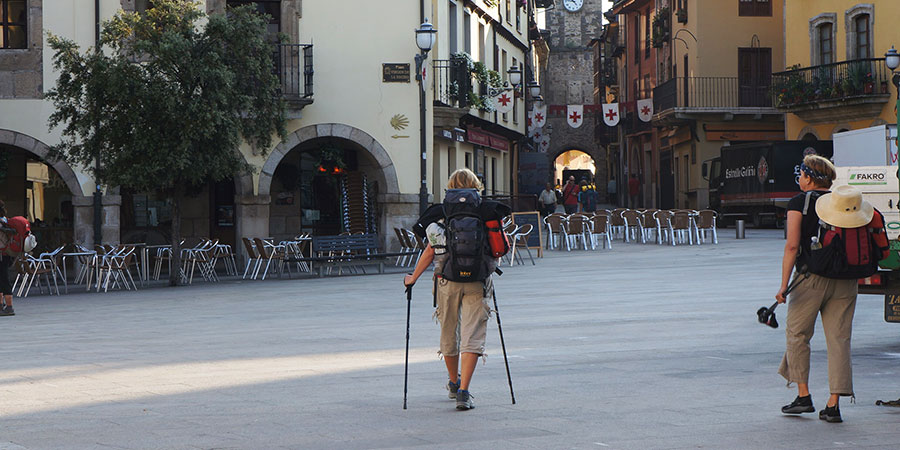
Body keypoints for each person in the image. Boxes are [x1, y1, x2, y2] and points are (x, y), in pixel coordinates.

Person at [403, 168, 511, 411]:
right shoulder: (487, 209)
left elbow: (430, 250)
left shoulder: (440, 212)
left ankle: (454, 382)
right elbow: (499, 247)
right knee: (473, 334)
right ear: (476, 186)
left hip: (446, 280)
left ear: (449, 186)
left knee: (449, 331)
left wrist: (413, 278)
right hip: (478, 280)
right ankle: (464, 392)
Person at [775, 155, 856, 423]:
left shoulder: (800, 202)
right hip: (846, 279)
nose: (799, 178)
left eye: (801, 174)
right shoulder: (843, 202)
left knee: (798, 334)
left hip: (810, 279)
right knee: (839, 339)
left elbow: (792, 246)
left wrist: (783, 285)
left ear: (809, 178)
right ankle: (834, 404)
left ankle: (803, 396)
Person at [0, 200, 14, 316]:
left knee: (4, 280)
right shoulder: (5, 220)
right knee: (3, 279)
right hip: (6, 254)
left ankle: (9, 307)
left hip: (2, 254)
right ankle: (1, 306)